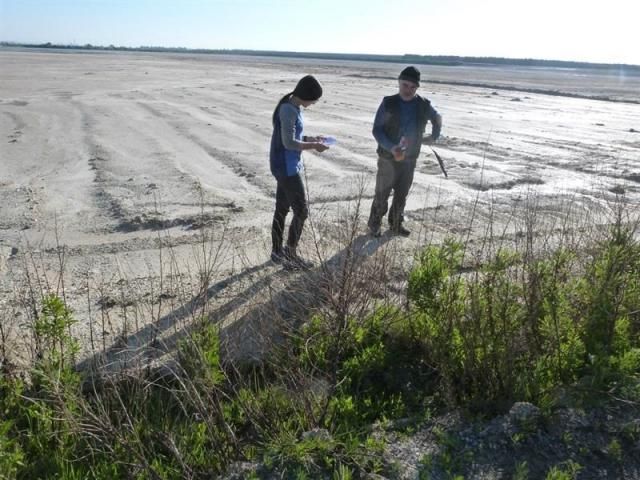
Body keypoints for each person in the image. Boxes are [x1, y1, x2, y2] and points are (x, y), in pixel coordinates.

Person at [367, 66, 443, 237]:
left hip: (409, 159)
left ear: (417, 87)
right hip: (388, 157)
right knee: (382, 193)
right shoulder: (388, 103)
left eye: (412, 87)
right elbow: (377, 130)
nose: (408, 90)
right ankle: (375, 224)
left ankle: (395, 224)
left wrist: (434, 136)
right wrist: (391, 147)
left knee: (402, 194)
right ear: (399, 83)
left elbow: (437, 118)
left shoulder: (423, 105)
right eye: (405, 85)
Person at [269, 75, 329, 269]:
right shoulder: (288, 110)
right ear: (306, 95)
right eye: (314, 99)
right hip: (286, 167)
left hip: (283, 164)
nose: (313, 103)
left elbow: (293, 135)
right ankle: (290, 253)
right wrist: (313, 145)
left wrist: (313, 137)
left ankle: (277, 252)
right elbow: (289, 143)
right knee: (301, 212)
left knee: (282, 209)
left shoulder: (291, 106)